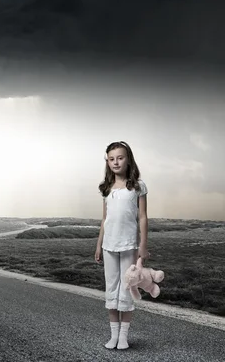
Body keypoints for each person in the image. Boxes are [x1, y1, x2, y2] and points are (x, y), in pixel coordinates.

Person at [94, 141, 149, 350]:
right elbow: (104, 219)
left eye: (120, 157)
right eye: (111, 159)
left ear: (128, 159)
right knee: (111, 289)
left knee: (127, 288)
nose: (116, 162)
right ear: (107, 162)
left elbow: (142, 217)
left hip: (129, 245)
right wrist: (99, 245)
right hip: (109, 245)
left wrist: (143, 245)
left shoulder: (137, 186)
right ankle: (113, 335)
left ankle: (124, 337)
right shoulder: (106, 188)